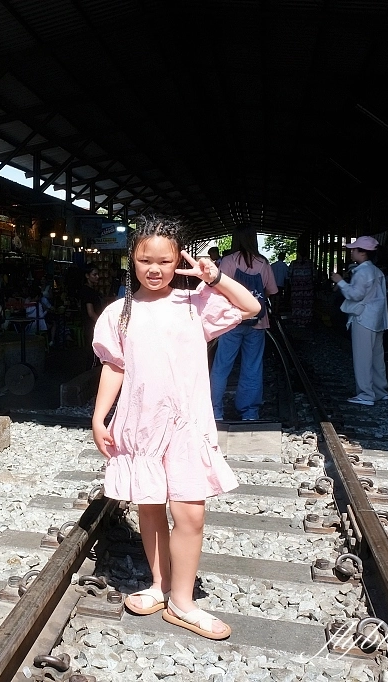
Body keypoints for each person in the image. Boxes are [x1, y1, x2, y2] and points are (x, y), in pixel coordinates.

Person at [92, 214, 260, 640]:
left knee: (189, 514)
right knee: (149, 506)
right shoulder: (118, 313)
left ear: (178, 261)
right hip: (140, 425)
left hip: (187, 424)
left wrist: (215, 276)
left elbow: (251, 306)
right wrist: (99, 415)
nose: (154, 269)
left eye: (164, 261)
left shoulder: (194, 304)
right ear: (131, 259)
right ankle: (158, 584)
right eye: (145, 259)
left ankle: (182, 603)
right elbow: (114, 365)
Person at [209, 229, 278, 420]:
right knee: (252, 367)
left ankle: (215, 411)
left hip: (231, 321)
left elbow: (217, 289)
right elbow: (272, 290)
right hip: (257, 322)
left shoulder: (228, 261)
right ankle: (249, 412)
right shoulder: (263, 262)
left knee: (221, 366)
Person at [332, 236, 388, 406]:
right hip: (377, 319)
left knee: (363, 358)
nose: (351, 252)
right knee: (377, 358)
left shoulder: (363, 272)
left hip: (363, 318)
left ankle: (365, 394)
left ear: (363, 253)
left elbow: (355, 295)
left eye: (354, 249)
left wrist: (340, 282)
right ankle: (380, 391)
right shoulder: (377, 271)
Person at [288, 242, 315, 329]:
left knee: (297, 305)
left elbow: (289, 274)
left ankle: (297, 320)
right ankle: (306, 321)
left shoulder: (293, 263)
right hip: (308, 289)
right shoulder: (310, 264)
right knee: (306, 305)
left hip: (296, 289)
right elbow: (315, 275)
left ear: (298, 254)